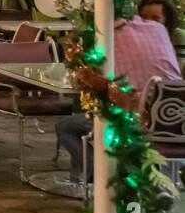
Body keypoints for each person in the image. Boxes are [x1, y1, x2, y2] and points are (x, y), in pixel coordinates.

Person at [57, 15, 182, 183]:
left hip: (136, 122)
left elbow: (102, 87)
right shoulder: (159, 32)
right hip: (176, 126)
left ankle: (95, 172)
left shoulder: (106, 36)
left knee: (67, 125)